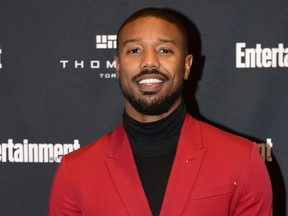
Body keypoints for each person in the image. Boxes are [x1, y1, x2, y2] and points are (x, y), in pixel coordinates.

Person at [48, 7, 272, 216]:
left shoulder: (242, 160)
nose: (149, 62)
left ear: (186, 66)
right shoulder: (75, 172)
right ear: (117, 66)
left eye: (164, 50)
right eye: (134, 50)